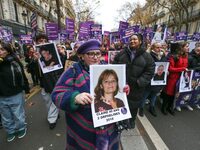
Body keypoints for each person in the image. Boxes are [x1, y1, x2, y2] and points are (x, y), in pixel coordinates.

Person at [51, 39, 130, 149]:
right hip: (83, 130)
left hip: (108, 126)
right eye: (90, 54)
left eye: (97, 53)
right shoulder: (73, 71)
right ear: (82, 56)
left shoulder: (107, 68)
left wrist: (124, 88)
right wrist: (75, 97)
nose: (95, 57)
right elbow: (56, 95)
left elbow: (119, 86)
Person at [113, 34, 155, 128]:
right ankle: (120, 121)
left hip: (136, 88)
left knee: (133, 106)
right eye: (131, 39)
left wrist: (139, 82)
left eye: (135, 39)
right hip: (121, 86)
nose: (132, 41)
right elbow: (114, 65)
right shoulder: (122, 53)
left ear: (140, 41)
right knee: (119, 104)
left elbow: (150, 70)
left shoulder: (147, 56)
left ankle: (131, 122)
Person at [0, 42, 30, 142]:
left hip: (15, 93)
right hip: (1, 95)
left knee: (18, 114)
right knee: (6, 116)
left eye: (2, 49)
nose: (0, 52)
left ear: (8, 51)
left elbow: (21, 75)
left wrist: (26, 88)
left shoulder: (14, 61)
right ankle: (10, 131)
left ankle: (21, 128)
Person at [33, 34, 60, 129]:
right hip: (45, 84)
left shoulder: (56, 55)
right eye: (40, 41)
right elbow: (35, 73)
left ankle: (52, 119)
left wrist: (62, 54)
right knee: (48, 101)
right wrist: (35, 61)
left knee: (55, 100)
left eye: (44, 40)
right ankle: (55, 114)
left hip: (56, 81)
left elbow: (62, 67)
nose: (42, 42)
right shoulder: (37, 57)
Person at [139, 42, 167, 117]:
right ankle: (141, 107)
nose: (159, 49)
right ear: (153, 48)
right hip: (150, 78)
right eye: (157, 47)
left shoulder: (162, 55)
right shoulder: (149, 55)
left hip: (158, 79)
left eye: (160, 47)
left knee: (154, 94)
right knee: (145, 94)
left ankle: (152, 107)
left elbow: (165, 64)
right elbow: (144, 66)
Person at [161, 42, 189, 115]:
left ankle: (170, 107)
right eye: (186, 46)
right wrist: (182, 69)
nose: (187, 48)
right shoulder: (173, 56)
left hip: (181, 78)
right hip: (172, 78)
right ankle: (164, 107)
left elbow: (186, 66)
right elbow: (170, 68)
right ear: (181, 48)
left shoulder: (186, 56)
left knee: (175, 94)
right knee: (168, 93)